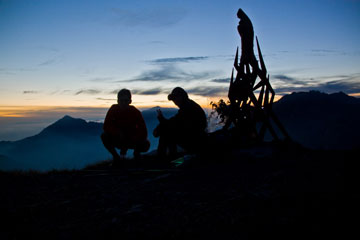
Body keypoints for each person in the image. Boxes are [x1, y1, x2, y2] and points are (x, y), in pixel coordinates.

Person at [153, 87, 207, 160]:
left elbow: (175, 123)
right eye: (173, 99)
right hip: (195, 137)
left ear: (182, 97)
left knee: (167, 134)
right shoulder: (188, 106)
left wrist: (161, 124)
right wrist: (162, 122)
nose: (175, 101)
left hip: (195, 141)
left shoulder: (188, 108)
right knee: (168, 132)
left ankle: (166, 159)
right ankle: (169, 158)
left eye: (176, 98)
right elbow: (175, 121)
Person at [101, 89, 150, 166]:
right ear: (118, 101)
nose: (123, 103)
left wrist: (132, 138)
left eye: (126, 101)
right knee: (104, 136)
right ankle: (116, 157)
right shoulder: (113, 109)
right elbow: (106, 126)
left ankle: (136, 154)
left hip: (132, 140)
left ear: (130, 101)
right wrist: (117, 132)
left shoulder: (135, 112)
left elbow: (144, 131)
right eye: (121, 101)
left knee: (146, 144)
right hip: (118, 138)